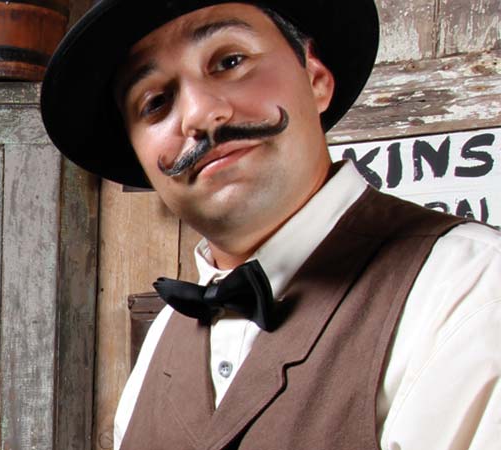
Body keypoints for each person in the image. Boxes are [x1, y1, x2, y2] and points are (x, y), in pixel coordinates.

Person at [40, 1, 500, 449]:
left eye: (230, 61)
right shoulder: (164, 334)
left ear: (315, 80)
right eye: (156, 102)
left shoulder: (471, 289)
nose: (200, 114)